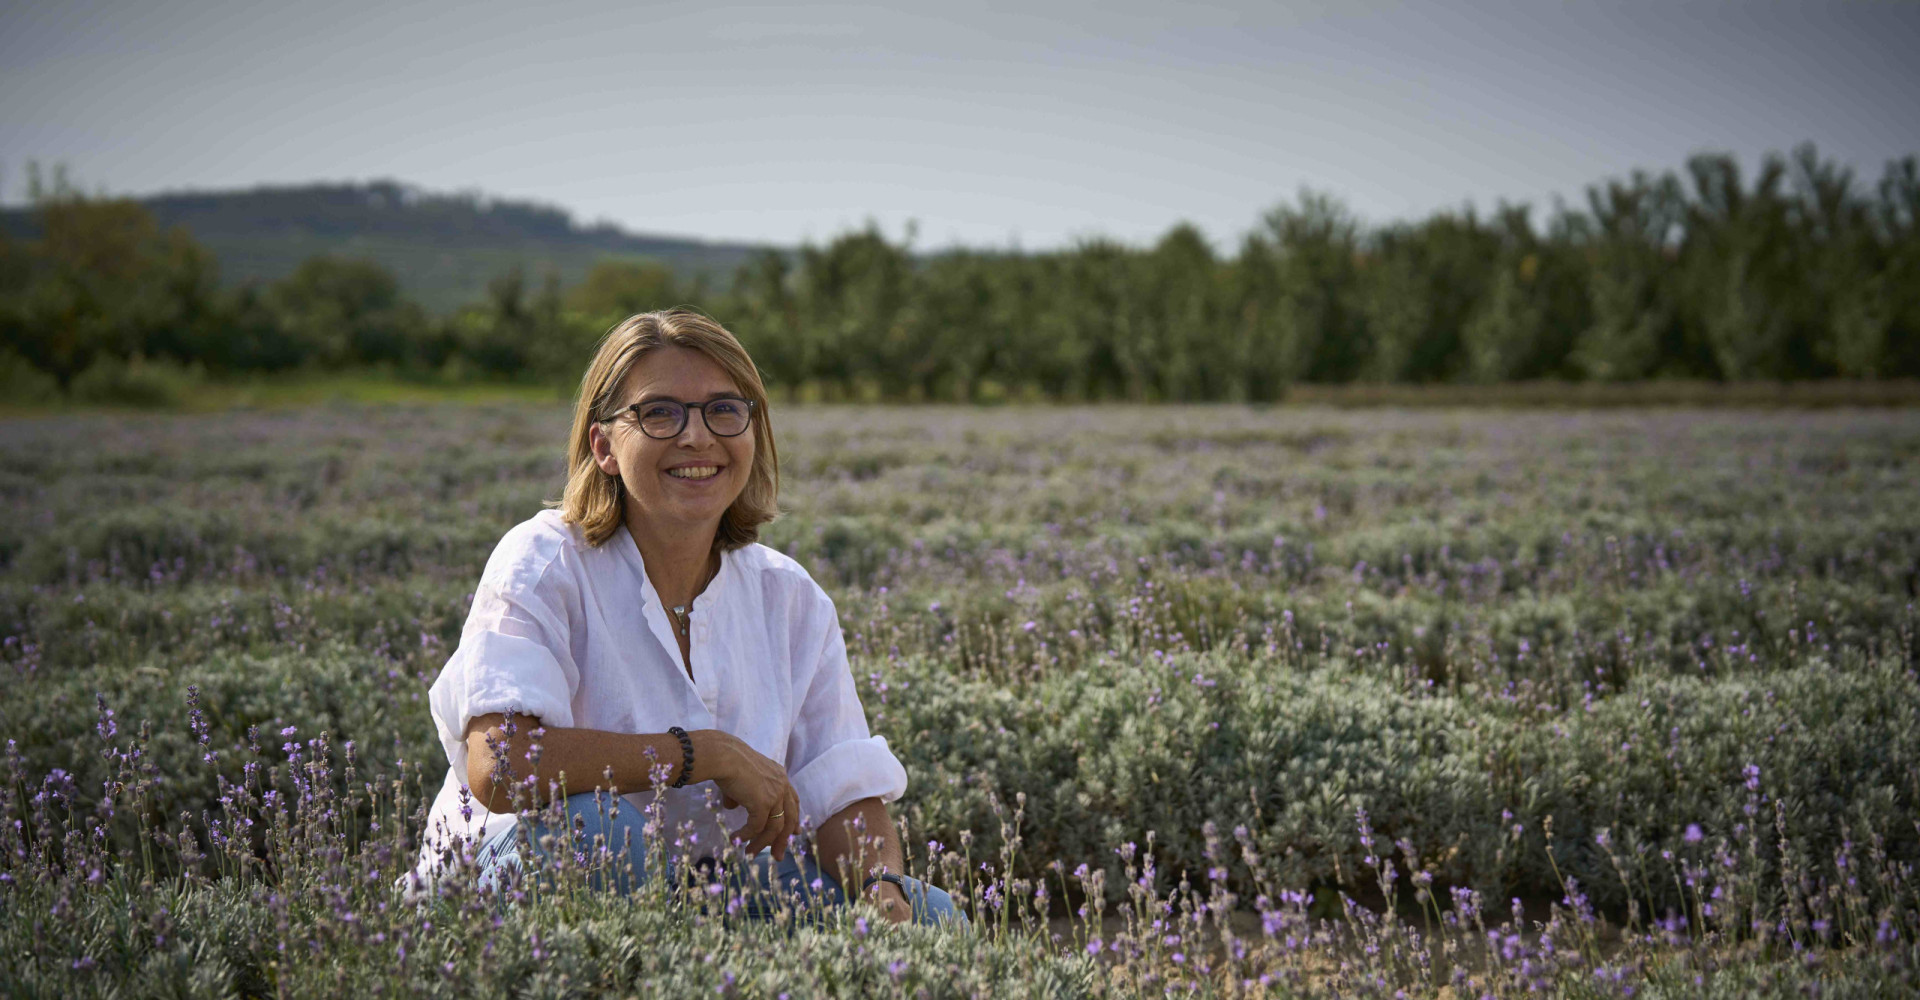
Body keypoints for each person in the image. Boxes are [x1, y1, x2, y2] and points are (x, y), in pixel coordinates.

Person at [407, 308, 964, 929]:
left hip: (706, 884)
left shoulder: (788, 597)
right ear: (604, 446)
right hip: (516, 882)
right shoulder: (544, 563)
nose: (698, 438)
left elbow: (844, 795)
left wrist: (883, 892)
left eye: (724, 410)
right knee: (601, 832)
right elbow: (503, 763)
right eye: (660, 413)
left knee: (935, 919)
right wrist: (705, 754)